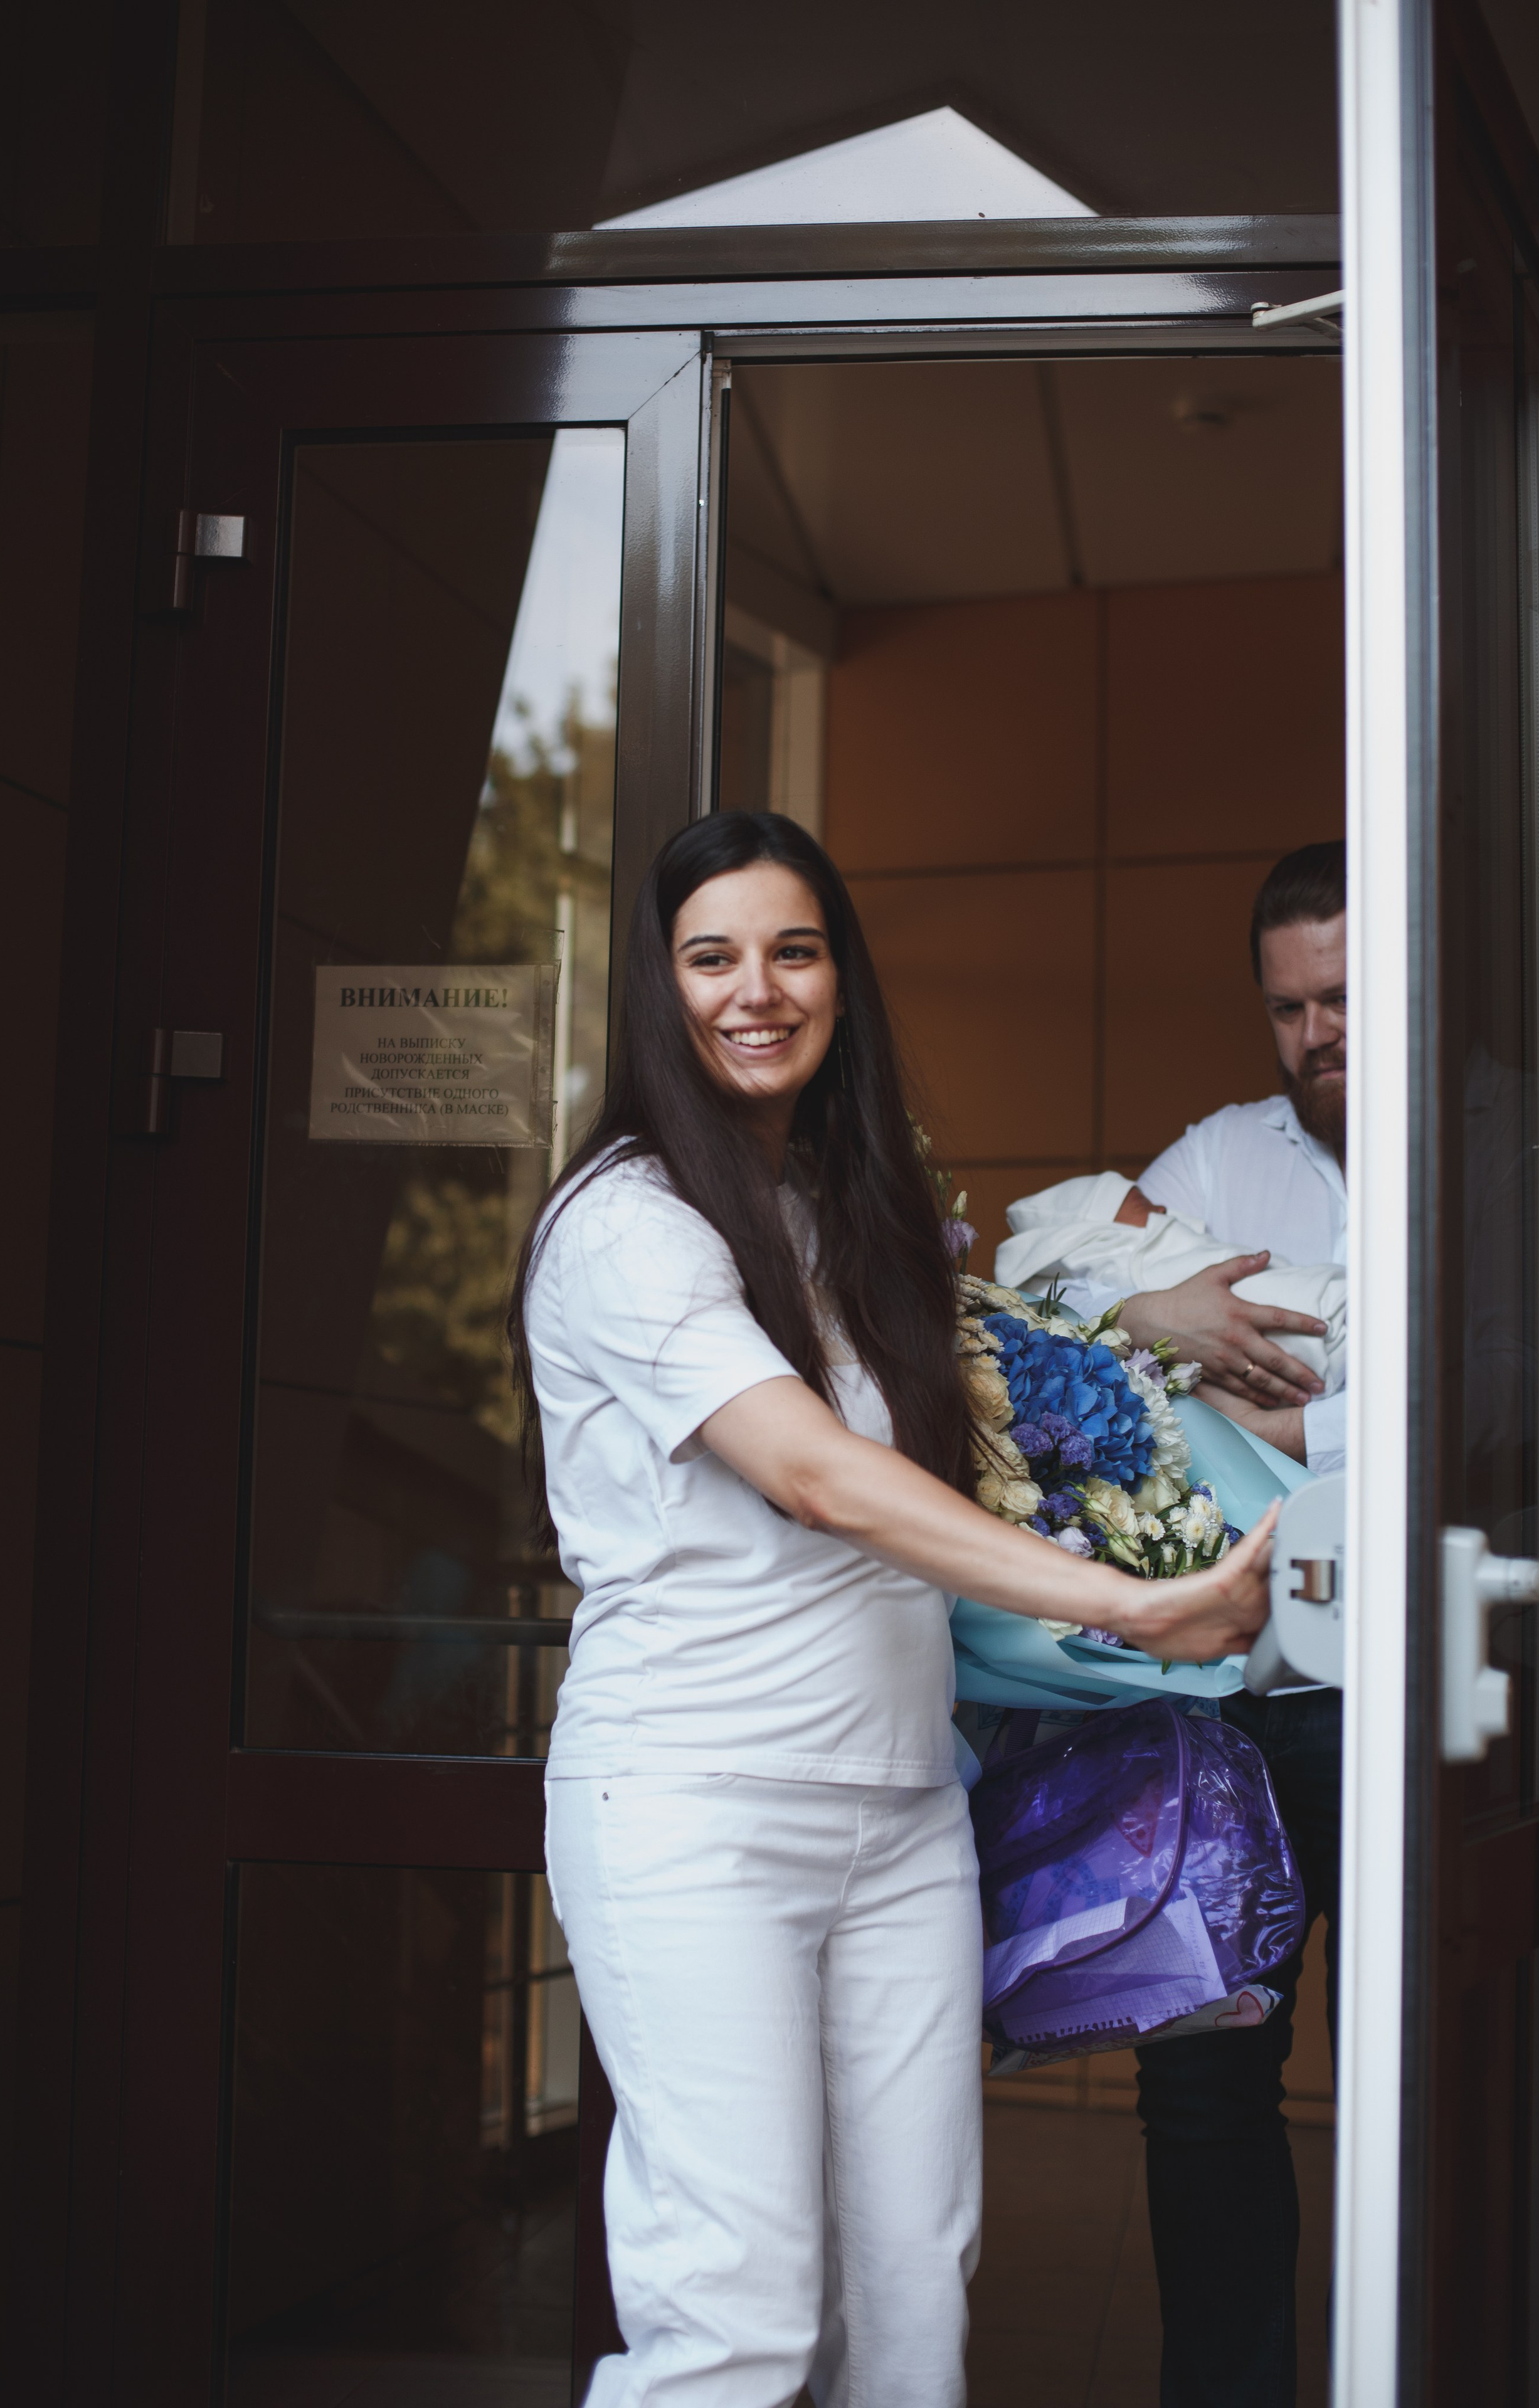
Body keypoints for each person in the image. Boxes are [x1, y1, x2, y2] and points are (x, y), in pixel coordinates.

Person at [510, 810, 1273, 2408]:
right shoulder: (626, 1223)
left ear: (840, 979)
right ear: (661, 993)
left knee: (911, 2306)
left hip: (900, 1814)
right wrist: (1134, 1609)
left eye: (793, 950)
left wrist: (1186, 1411)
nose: (755, 990)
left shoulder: (845, 1223)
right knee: (739, 2317)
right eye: (710, 958)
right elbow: (819, 1478)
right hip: (694, 1810)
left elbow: (1004, 1414)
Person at [1104, 839, 1347, 2408]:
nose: (1316, 1034)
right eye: (1285, 1009)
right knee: (1199, 2081)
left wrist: (1297, 1404)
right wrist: (1153, 1318)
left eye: (1339, 995)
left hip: (1429, 1694)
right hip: (1236, 1698)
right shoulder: (1217, 1161)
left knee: (1454, 2063)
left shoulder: (1502, 1143)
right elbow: (1060, 1290)